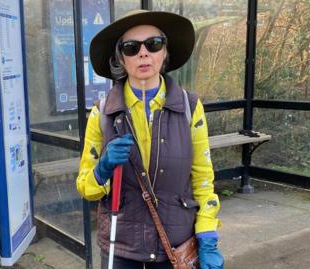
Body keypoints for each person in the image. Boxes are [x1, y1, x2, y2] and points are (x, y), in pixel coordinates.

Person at [76, 10, 224, 269]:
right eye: (131, 47)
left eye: (153, 44)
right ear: (121, 58)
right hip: (121, 248)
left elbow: (202, 178)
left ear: (165, 52)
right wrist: (102, 170)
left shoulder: (190, 107)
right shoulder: (102, 114)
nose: (143, 53)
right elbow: (86, 188)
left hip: (174, 244)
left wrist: (208, 236)